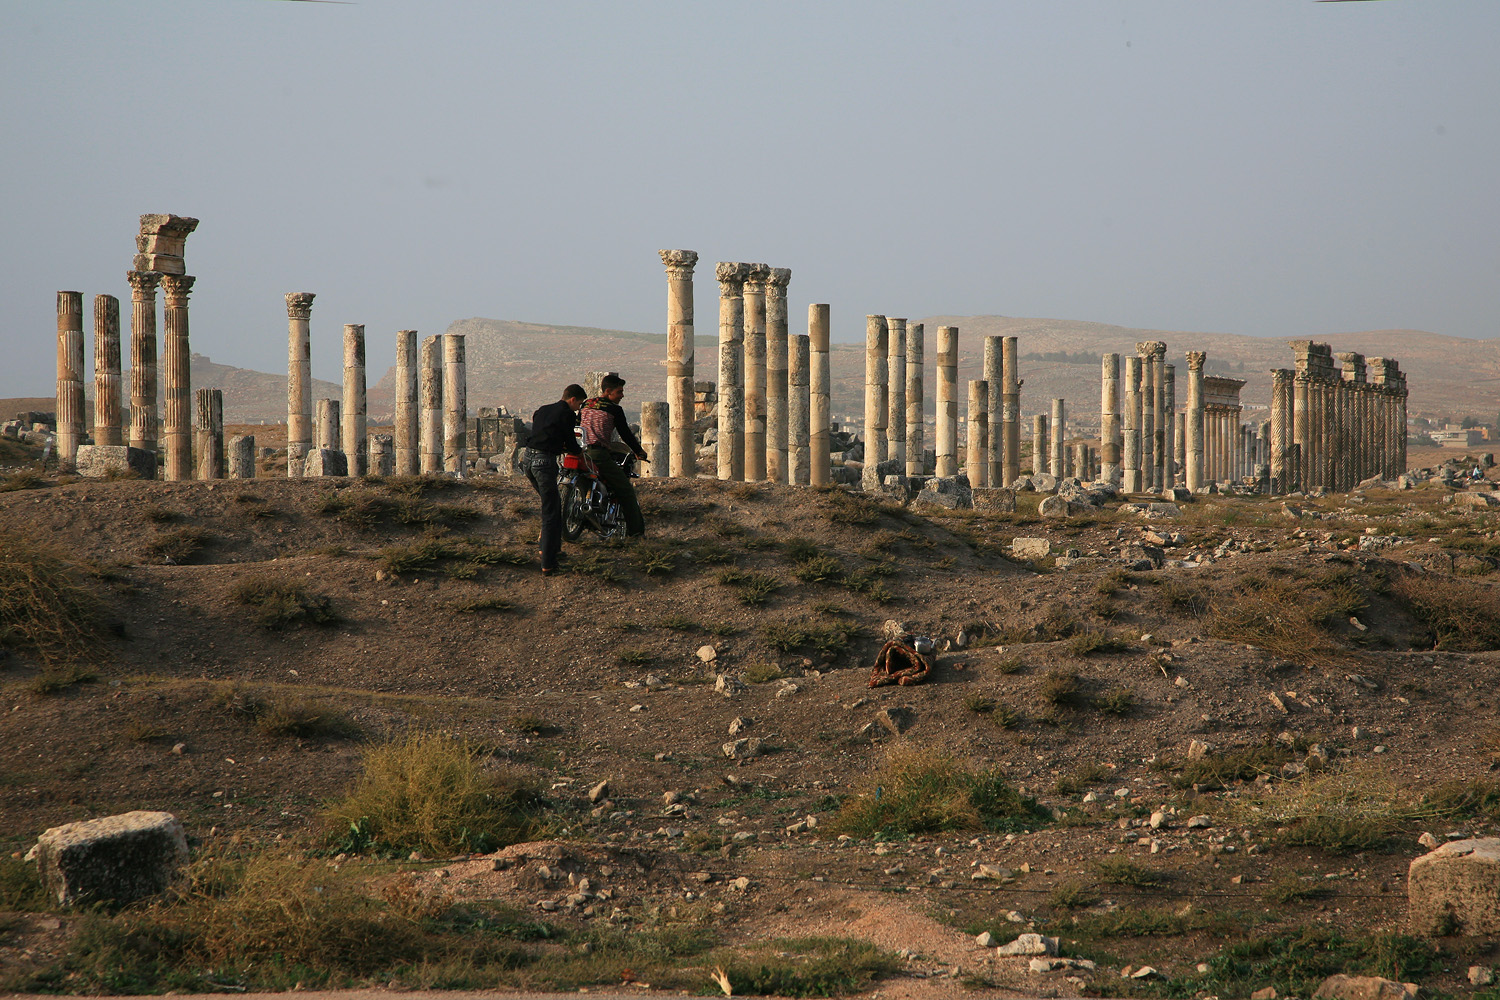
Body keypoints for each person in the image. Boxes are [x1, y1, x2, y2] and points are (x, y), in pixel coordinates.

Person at [524, 384, 587, 575]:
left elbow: (544, 434)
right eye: (579, 404)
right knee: (551, 511)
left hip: (527, 459)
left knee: (552, 504)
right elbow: (570, 440)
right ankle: (548, 564)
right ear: (572, 399)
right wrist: (579, 452)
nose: (578, 408)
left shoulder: (542, 410)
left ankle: (550, 547)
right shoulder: (567, 414)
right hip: (544, 462)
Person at [579, 374, 647, 537]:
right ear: (608, 391)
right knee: (625, 490)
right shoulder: (614, 410)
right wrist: (639, 451)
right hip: (598, 454)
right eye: (619, 392)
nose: (622, 395)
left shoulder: (586, 404)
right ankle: (636, 533)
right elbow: (625, 434)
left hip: (580, 452)